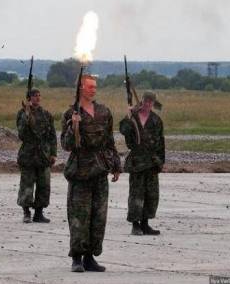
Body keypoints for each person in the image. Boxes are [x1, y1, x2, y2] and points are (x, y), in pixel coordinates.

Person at [61, 74, 121, 272]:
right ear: (80, 88)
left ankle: (90, 257)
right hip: (81, 172)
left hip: (100, 171)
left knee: (98, 216)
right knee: (79, 216)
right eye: (89, 87)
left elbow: (109, 140)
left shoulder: (103, 112)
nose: (93, 90)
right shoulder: (70, 113)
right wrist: (73, 126)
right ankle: (76, 257)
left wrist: (115, 163)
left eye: (95, 86)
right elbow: (67, 145)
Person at [120, 91, 165, 235]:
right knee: (136, 194)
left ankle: (145, 223)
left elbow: (161, 142)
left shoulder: (156, 120)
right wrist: (129, 116)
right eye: (146, 101)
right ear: (142, 101)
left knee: (151, 195)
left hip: (152, 163)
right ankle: (135, 224)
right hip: (137, 162)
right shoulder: (133, 117)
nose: (148, 104)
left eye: (151, 102)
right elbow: (123, 130)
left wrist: (161, 161)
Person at [16, 88, 57, 223]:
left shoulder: (46, 114)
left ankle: (39, 213)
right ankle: (26, 212)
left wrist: (53, 153)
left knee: (44, 185)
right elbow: (21, 134)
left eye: (39, 95)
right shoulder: (22, 114)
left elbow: (52, 136)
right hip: (28, 154)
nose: (37, 98)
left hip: (43, 155)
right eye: (34, 96)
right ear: (29, 98)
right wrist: (27, 116)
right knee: (27, 185)